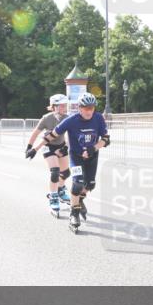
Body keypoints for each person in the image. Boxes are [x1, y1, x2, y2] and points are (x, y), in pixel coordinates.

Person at [50, 93, 109, 233]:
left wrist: (93, 147)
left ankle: (79, 200)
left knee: (90, 185)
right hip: (76, 156)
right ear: (80, 108)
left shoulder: (98, 118)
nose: (89, 111)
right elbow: (54, 133)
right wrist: (35, 147)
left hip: (92, 155)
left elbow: (106, 139)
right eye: (86, 108)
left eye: (92, 108)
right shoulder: (72, 120)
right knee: (77, 184)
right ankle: (74, 215)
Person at [26, 94, 72, 216]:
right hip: (48, 146)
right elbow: (36, 133)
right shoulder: (46, 118)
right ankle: (53, 197)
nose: (64, 107)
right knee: (55, 172)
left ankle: (61, 190)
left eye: (65, 105)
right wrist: (29, 147)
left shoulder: (67, 118)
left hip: (61, 146)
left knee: (66, 173)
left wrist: (65, 147)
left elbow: (71, 136)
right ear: (54, 107)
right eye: (62, 105)